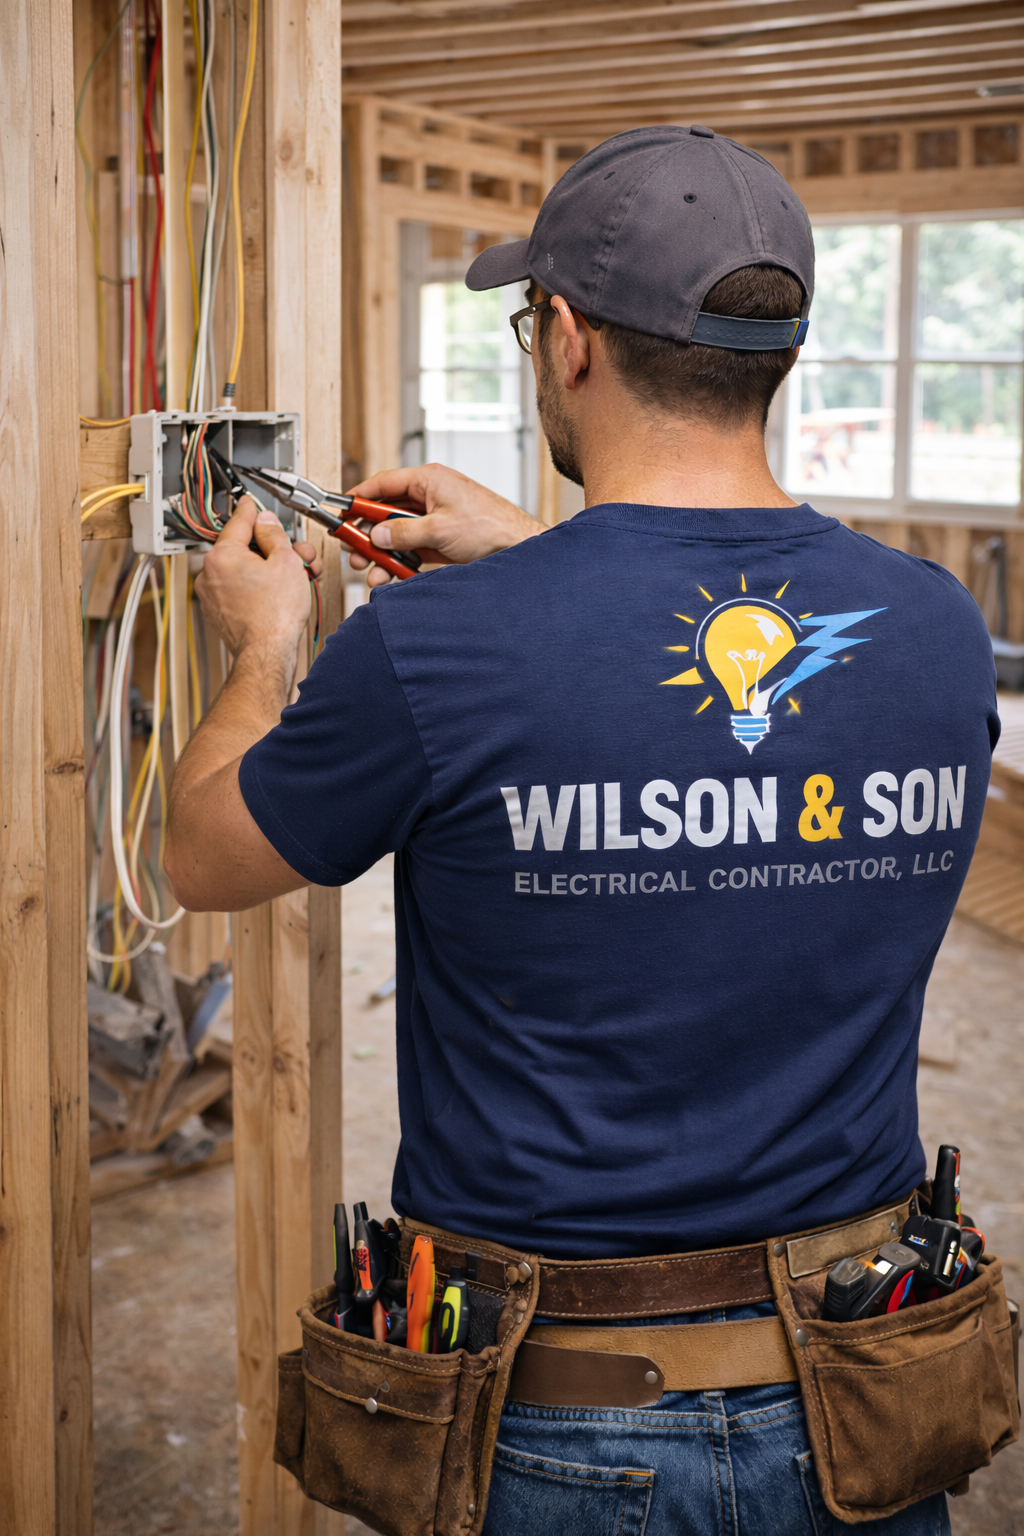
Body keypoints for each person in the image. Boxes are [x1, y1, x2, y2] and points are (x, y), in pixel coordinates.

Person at [166, 126, 998, 1535]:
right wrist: (543, 567)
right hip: (869, 1379)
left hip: (562, 1424)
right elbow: (726, 712)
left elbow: (204, 856)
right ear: (777, 348)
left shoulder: (435, 652)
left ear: (564, 339)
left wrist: (264, 647)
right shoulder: (939, 632)